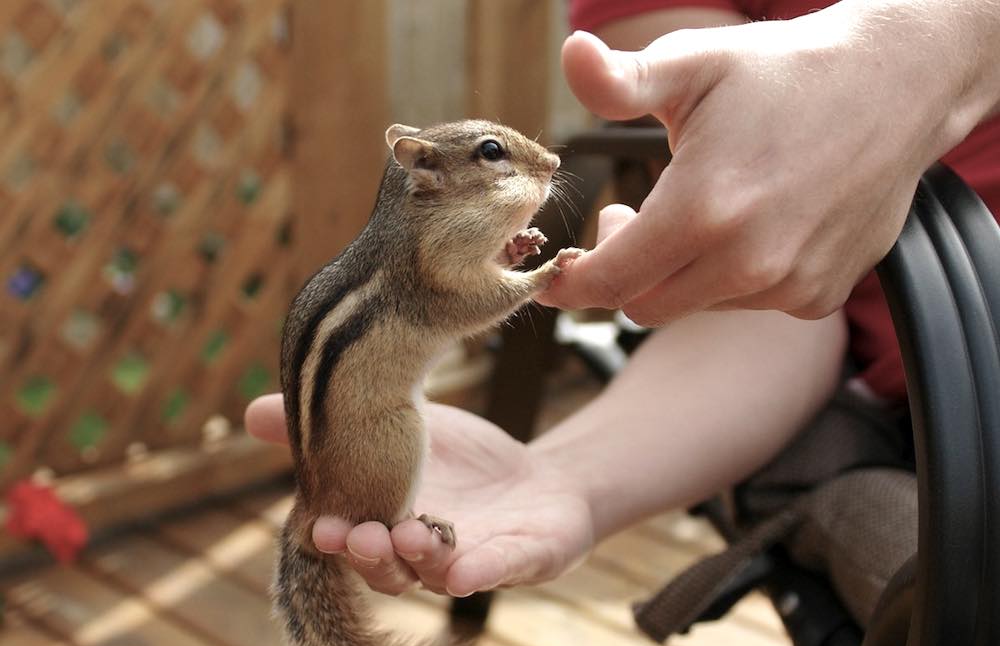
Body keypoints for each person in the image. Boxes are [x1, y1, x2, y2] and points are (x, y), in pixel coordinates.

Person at [245, 0, 1000, 599]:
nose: (545, 168)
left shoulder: (434, 254)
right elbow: (762, 285)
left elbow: (464, 292)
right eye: (494, 158)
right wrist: (572, 472)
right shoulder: (414, 265)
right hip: (928, 410)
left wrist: (945, 42)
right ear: (428, 178)